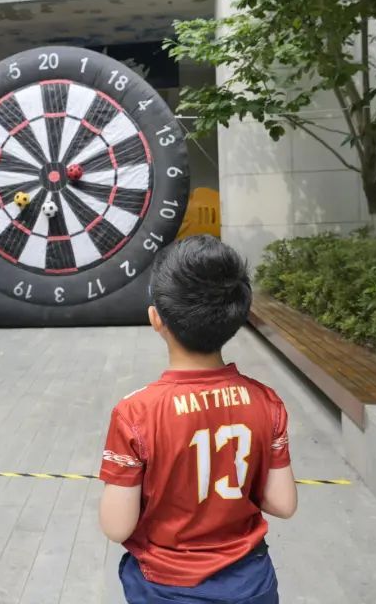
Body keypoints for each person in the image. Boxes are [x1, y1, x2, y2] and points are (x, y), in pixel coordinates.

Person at [99, 235, 297, 604]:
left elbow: (116, 526)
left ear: (156, 318)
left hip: (166, 588)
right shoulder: (266, 401)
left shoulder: (136, 413)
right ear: (236, 317)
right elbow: (282, 502)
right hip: (250, 584)